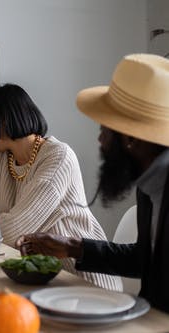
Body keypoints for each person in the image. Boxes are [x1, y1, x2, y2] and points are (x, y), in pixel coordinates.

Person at [15, 53, 169, 312]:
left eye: (104, 131)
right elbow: (146, 259)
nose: (100, 142)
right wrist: (72, 247)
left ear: (130, 139)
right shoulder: (149, 184)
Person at [0, 83, 121, 291]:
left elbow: (15, 230)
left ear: (3, 118)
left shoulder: (58, 157)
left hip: (81, 280)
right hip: (34, 278)